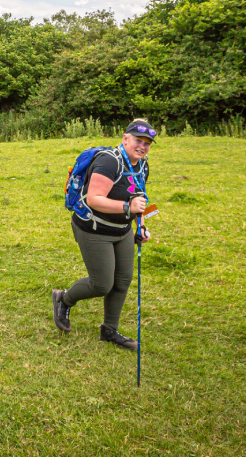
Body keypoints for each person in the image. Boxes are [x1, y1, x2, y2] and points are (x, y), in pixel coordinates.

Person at [51, 119, 155, 350]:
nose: (143, 146)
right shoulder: (110, 162)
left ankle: (109, 330)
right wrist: (127, 209)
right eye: (138, 140)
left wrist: (141, 226)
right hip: (94, 228)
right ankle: (64, 299)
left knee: (122, 281)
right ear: (125, 138)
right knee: (101, 284)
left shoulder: (142, 165)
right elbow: (94, 199)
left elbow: (139, 199)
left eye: (147, 143)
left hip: (123, 230)